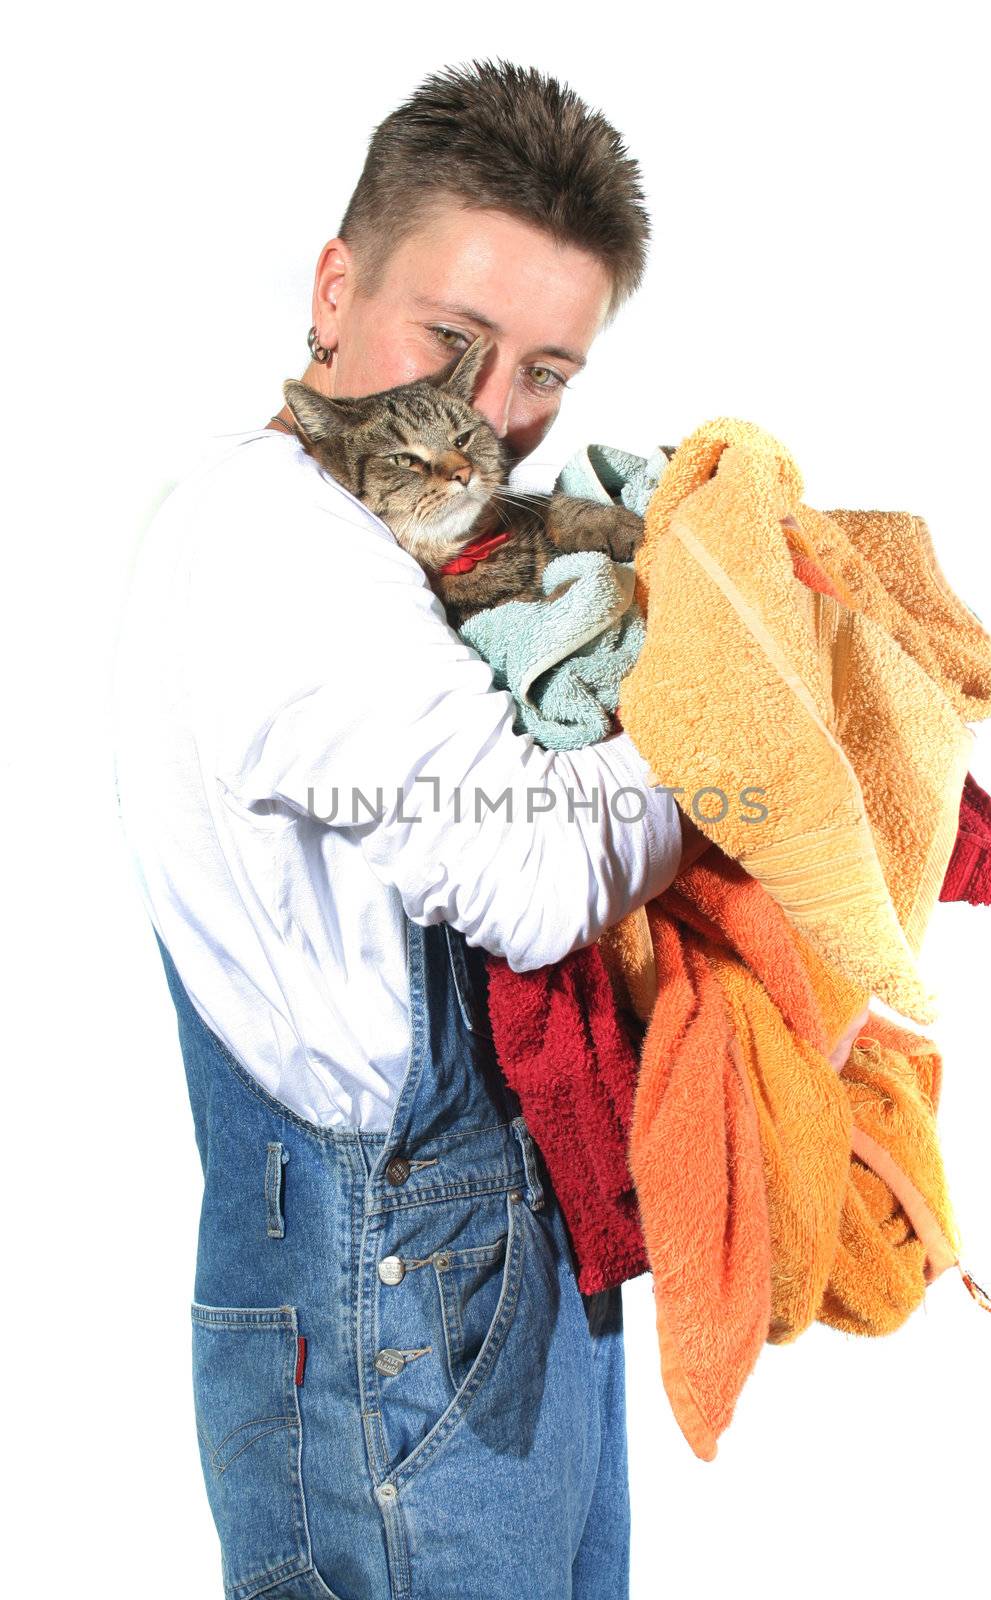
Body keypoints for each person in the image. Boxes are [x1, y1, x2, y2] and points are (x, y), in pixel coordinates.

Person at [114, 57, 711, 1600]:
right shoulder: (279, 545)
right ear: (333, 288)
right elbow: (533, 871)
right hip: (392, 1311)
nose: (490, 419)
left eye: (546, 376)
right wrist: (740, 705)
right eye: (452, 341)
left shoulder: (405, 555)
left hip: (506, 1275)